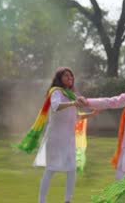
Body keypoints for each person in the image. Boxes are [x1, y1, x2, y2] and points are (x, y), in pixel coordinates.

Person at [15, 67, 96, 203]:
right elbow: (55, 106)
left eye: (71, 76)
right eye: (66, 76)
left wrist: (91, 114)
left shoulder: (71, 95)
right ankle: (42, 201)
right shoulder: (56, 92)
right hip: (56, 138)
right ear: (59, 78)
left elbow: (75, 117)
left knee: (71, 169)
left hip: (69, 139)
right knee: (51, 169)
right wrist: (73, 103)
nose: (69, 78)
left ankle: (67, 200)